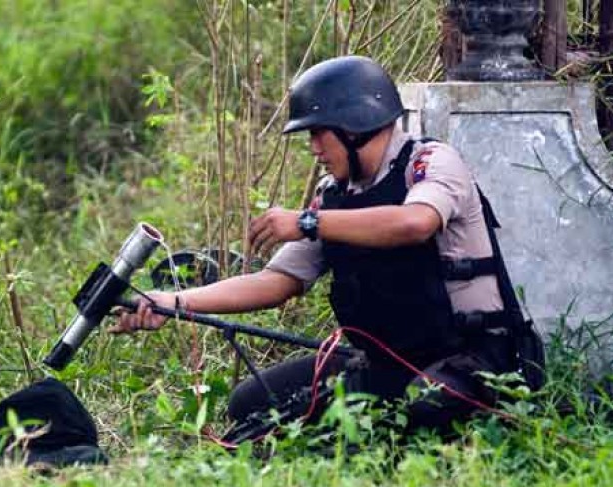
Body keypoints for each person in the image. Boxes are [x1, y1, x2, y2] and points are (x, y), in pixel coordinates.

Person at [110, 56, 542, 438]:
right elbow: (276, 282)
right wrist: (172, 302)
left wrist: (306, 222)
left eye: (319, 134)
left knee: (422, 408)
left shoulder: (430, 163)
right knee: (250, 403)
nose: (314, 148)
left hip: (472, 358)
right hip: (385, 362)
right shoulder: (334, 193)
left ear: (356, 126)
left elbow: (415, 223)